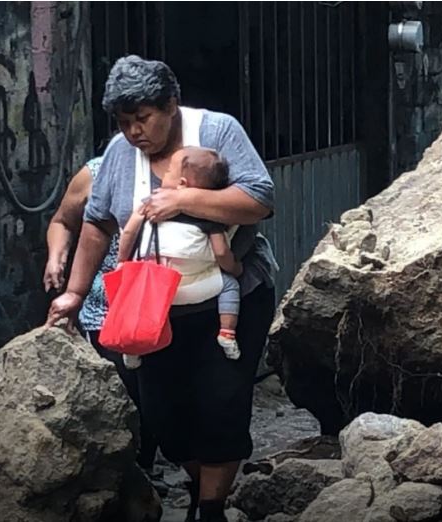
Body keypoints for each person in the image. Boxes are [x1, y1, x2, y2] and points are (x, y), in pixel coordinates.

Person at [45, 55, 277, 522]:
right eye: (124, 122)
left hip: (227, 301)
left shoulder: (216, 132)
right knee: (163, 417)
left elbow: (259, 199)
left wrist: (183, 198)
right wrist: (74, 292)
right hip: (152, 311)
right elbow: (95, 227)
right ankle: (197, 483)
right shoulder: (117, 154)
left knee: (221, 404)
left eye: (143, 119)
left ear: (171, 105)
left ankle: (210, 508)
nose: (134, 131)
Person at [43, 156, 161, 475]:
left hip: (163, 303)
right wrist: (57, 256)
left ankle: (149, 467)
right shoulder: (95, 173)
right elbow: (63, 221)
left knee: (158, 398)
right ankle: (138, 474)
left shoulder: (184, 167)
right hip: (107, 306)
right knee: (126, 394)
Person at [116, 146, 244, 369]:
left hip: (157, 286)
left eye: (168, 171)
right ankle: (227, 333)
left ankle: (133, 348)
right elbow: (222, 252)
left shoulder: (151, 201)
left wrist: (122, 262)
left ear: (183, 183)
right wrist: (234, 268)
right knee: (230, 285)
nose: (163, 174)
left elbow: (128, 232)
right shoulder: (208, 212)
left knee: (142, 305)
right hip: (194, 286)